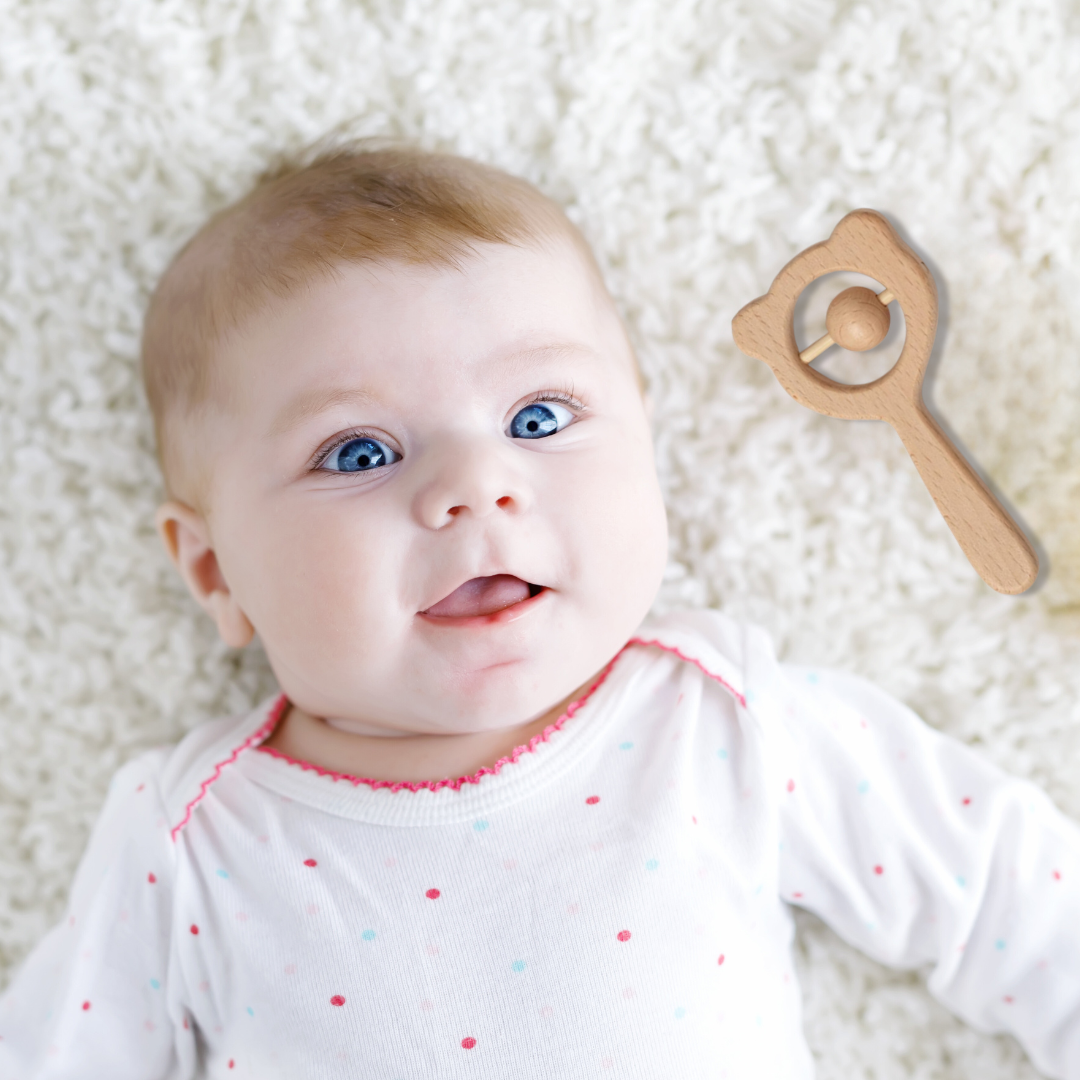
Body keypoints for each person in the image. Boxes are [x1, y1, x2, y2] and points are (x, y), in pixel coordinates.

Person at [1, 145, 1077, 1079]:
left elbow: (1010, 899)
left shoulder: (720, 724)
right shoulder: (195, 840)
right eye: (360, 452)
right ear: (215, 573)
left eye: (539, 415)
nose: (477, 483)